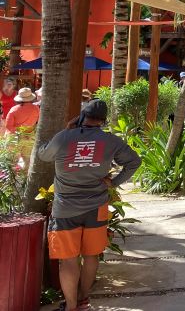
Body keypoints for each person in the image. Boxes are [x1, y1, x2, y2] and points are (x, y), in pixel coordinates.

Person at [37, 100, 141, 311]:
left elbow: (43, 154)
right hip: (97, 206)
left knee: (68, 260)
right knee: (91, 256)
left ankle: (71, 306)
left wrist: (67, 130)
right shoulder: (110, 141)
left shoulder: (64, 137)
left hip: (65, 208)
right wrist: (115, 182)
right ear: (103, 121)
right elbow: (134, 162)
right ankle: (84, 299)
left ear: (81, 117)